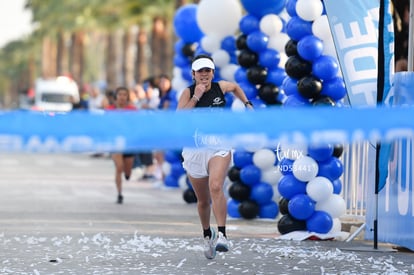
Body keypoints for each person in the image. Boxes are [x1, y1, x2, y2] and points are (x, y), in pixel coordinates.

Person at [177, 54, 253, 260]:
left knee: (216, 186)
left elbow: (236, 87)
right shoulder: (188, 92)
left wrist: (247, 103)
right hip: (194, 149)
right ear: (193, 74)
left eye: (207, 70)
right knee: (203, 201)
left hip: (219, 145)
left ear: (212, 72)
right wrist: (196, 97)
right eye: (200, 71)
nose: (204, 74)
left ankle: (222, 235)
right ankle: (206, 234)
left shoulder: (221, 87)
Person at [106, 86, 137, 204]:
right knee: (119, 167)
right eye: (120, 94)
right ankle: (119, 194)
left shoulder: (133, 110)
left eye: (124, 95)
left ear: (127, 97)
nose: (122, 97)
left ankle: (128, 174)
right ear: (116, 96)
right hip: (115, 142)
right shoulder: (109, 110)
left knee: (127, 171)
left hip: (129, 143)